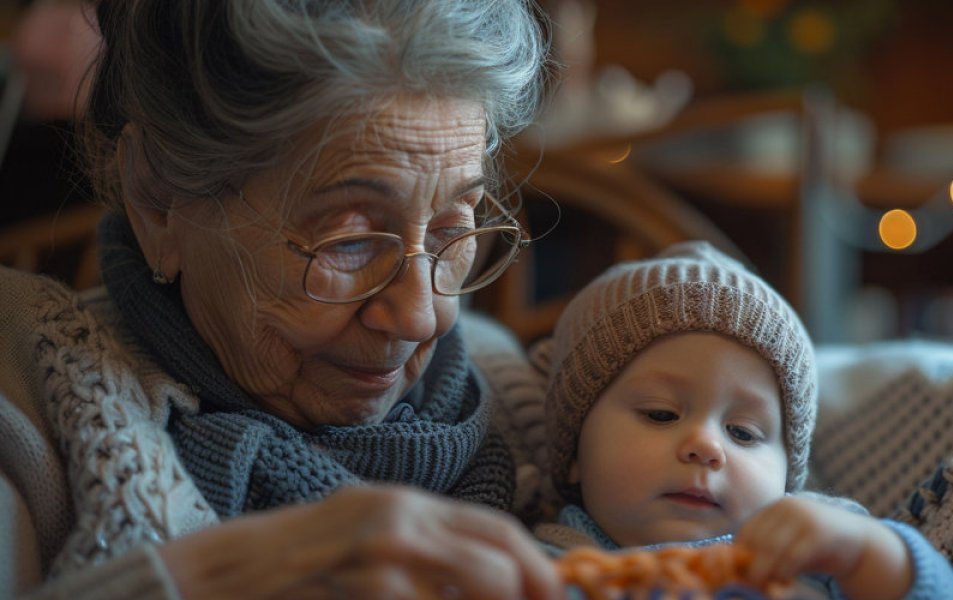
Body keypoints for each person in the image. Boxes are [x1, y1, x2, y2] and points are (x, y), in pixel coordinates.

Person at [0, 1, 564, 598]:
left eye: (452, 231)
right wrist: (221, 576)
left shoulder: (511, 387)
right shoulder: (28, 399)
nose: (423, 316)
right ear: (157, 200)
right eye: (348, 241)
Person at [534, 241, 953, 599]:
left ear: (788, 475)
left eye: (743, 433)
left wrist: (868, 553)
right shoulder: (547, 563)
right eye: (661, 414)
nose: (706, 446)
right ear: (573, 448)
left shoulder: (823, 545)